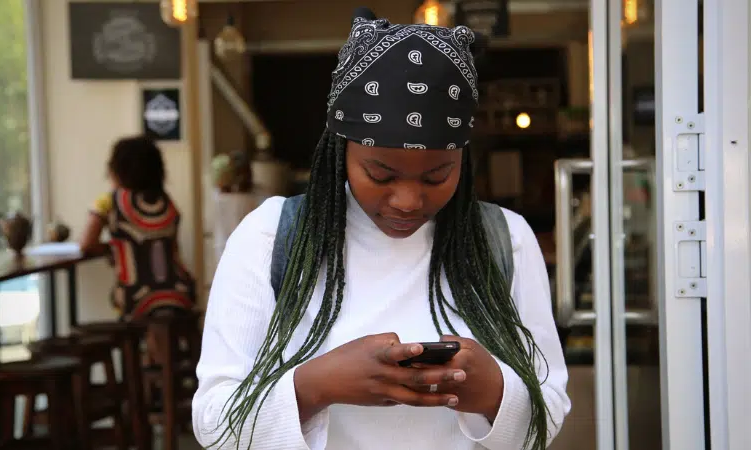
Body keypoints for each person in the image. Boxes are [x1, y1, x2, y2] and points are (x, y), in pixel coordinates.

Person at [193, 8, 570, 450]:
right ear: (341, 149)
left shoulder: (505, 239)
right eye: (381, 174)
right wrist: (317, 385)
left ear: (464, 162)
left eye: (436, 177)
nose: (407, 201)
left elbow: (549, 411)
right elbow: (214, 423)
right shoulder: (271, 237)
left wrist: (493, 393)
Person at [79, 135, 196, 321]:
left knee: (128, 305)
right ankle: (160, 348)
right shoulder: (166, 203)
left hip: (134, 295)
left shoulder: (109, 201)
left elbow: (86, 244)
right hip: (179, 291)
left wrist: (114, 249)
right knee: (160, 320)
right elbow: (173, 251)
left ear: (116, 170)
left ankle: (131, 350)